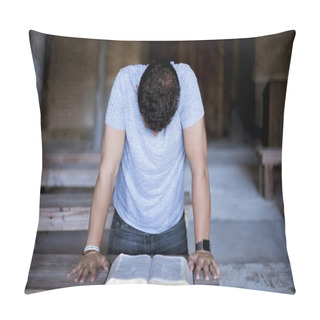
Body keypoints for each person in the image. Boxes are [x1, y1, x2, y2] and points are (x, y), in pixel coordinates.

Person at [67, 61, 220, 283]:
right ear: (137, 91)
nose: (155, 136)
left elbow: (200, 168)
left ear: (178, 102)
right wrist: (91, 249)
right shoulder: (125, 82)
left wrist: (203, 247)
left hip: (172, 227)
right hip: (127, 225)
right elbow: (108, 170)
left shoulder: (187, 82)